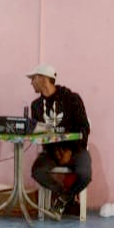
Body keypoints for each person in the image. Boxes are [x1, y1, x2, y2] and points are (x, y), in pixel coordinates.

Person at [26, 64, 91, 218]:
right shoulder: (36, 106)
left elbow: (84, 128)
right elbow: (39, 134)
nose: (31, 83)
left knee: (85, 174)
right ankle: (65, 197)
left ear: (43, 79)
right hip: (51, 152)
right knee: (38, 172)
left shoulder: (72, 99)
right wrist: (54, 151)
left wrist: (69, 151)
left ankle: (63, 200)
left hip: (75, 149)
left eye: (33, 79)